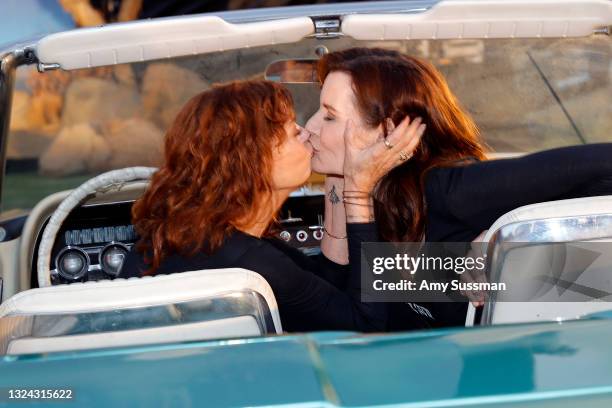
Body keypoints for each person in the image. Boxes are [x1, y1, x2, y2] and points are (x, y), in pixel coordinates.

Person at [305, 47, 612, 329]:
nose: (310, 126)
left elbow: (603, 165)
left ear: (387, 131)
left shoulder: (453, 189)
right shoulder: (383, 198)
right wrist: (343, 176)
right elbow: (340, 296)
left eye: (330, 116)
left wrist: (501, 238)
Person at [118, 79, 423, 333]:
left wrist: (340, 171)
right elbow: (367, 327)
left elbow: (325, 284)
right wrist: (358, 193)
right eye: (293, 132)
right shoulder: (251, 261)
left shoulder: (198, 237)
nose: (308, 132)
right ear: (255, 161)